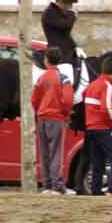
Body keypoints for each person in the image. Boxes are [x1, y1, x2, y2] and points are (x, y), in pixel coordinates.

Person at [31, 47, 75, 195]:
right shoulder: (64, 78)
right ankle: (57, 185)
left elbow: (34, 99)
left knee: (44, 153)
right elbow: (68, 101)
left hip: (42, 117)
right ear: (59, 61)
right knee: (56, 152)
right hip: (56, 118)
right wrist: (66, 115)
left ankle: (47, 185)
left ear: (46, 60)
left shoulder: (40, 78)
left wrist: (39, 112)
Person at [83, 55, 112, 196]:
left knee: (98, 162)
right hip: (103, 129)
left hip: (90, 129)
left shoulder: (92, 85)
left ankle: (96, 192)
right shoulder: (107, 86)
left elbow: (85, 98)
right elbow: (106, 107)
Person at [42, 0, 79, 67]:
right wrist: (72, 13)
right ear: (62, 2)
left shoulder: (59, 12)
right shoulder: (50, 12)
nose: (71, 7)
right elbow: (66, 25)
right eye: (70, 4)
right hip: (59, 57)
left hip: (67, 54)